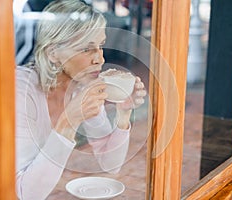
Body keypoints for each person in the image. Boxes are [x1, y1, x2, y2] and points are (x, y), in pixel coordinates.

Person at [15, 0, 147, 199]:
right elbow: (25, 193)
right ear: (53, 54)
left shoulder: (81, 86)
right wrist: (69, 121)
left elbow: (110, 164)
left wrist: (123, 113)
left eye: (100, 46)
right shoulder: (20, 92)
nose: (100, 59)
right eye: (87, 49)